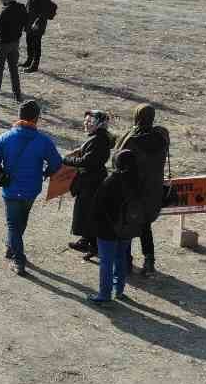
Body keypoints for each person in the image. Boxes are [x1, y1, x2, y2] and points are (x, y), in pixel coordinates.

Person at [0, 100, 64, 276]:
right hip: (31, 189)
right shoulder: (43, 140)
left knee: (13, 224)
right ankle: (11, 247)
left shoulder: (5, 137)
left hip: (11, 189)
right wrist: (46, 172)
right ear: (36, 118)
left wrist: (1, 175)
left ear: (19, 116)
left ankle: (18, 259)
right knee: (21, 220)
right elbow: (57, 163)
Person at [112, 104, 171, 277]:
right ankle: (149, 261)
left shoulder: (131, 140)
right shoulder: (161, 138)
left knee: (127, 225)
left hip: (133, 191)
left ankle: (126, 262)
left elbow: (118, 160)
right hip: (153, 191)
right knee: (145, 226)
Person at [89, 150, 143, 304]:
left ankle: (104, 295)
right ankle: (119, 291)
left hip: (107, 230)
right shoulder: (137, 181)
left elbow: (97, 206)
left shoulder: (111, 181)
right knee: (121, 260)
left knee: (106, 263)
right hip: (127, 228)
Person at [63, 110, 114, 257]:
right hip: (89, 181)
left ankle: (94, 247)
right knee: (84, 212)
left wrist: (67, 160)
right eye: (86, 120)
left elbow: (87, 162)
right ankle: (85, 240)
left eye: (90, 121)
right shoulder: (98, 137)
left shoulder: (99, 140)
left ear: (99, 124)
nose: (86, 123)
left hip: (92, 183)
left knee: (88, 214)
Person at [22, 0, 52, 73]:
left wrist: (37, 22)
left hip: (37, 23)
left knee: (36, 43)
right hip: (30, 21)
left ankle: (34, 65)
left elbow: (44, 10)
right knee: (29, 41)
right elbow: (29, 5)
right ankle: (28, 60)